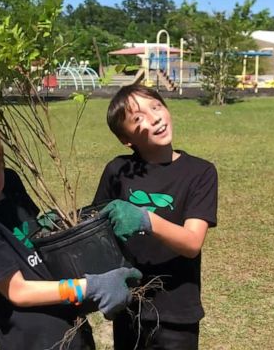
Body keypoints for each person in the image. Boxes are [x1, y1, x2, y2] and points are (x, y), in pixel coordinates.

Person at [0, 113, 142, 350]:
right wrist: (88, 287)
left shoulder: (10, 182)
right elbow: (17, 291)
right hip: (35, 338)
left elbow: (31, 233)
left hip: (67, 320)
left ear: (2, 161)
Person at [93, 84, 218, 350]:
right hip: (129, 305)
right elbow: (98, 229)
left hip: (177, 312)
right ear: (126, 139)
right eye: (138, 118)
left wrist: (145, 219)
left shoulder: (200, 172)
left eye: (156, 106)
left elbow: (192, 243)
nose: (155, 118)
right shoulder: (118, 170)